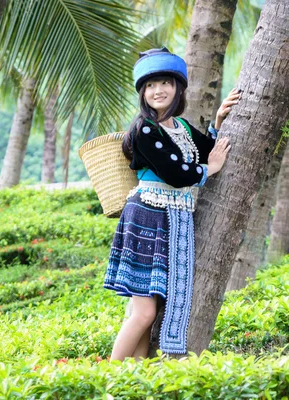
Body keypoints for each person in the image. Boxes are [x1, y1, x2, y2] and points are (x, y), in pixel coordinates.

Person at [104, 47, 240, 360]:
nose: (157, 90)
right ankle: (108, 379)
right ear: (142, 93)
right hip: (147, 217)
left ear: (178, 88)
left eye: (165, 82)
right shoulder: (144, 129)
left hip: (169, 220)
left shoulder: (182, 127)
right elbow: (176, 174)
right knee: (144, 313)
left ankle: (134, 375)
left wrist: (220, 118)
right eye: (150, 85)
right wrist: (211, 169)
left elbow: (207, 149)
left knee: (147, 305)